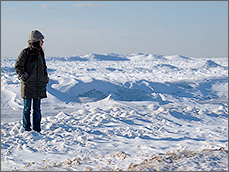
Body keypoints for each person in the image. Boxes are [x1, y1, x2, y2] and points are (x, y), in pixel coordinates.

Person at [15, 30, 49, 132]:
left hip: (39, 85)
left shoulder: (40, 53)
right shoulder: (25, 52)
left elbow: (43, 67)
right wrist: (23, 75)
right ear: (36, 41)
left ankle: (37, 129)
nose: (43, 42)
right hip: (28, 85)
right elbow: (18, 66)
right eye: (41, 40)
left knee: (37, 110)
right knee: (27, 109)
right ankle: (27, 129)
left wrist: (45, 77)